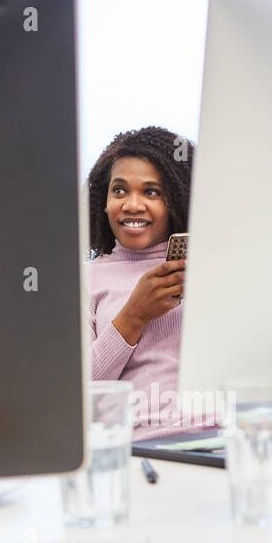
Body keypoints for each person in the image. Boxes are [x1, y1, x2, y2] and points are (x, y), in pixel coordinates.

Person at [85, 126, 197, 439]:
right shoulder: (87, 281)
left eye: (151, 192)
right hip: (137, 446)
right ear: (103, 201)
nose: (132, 205)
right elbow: (76, 394)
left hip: (216, 437)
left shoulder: (212, 273)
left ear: (176, 199)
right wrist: (134, 315)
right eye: (119, 190)